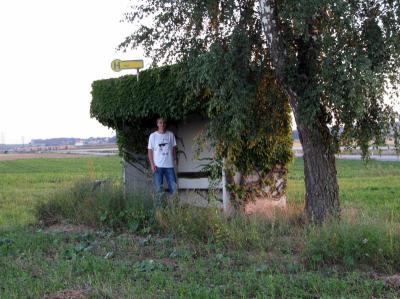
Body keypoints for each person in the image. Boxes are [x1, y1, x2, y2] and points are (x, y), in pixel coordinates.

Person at [147, 117, 178, 200]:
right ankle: (160, 211)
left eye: (164, 123)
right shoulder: (153, 136)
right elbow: (150, 151)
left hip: (169, 166)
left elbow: (174, 148)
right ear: (157, 124)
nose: (162, 124)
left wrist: (175, 159)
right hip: (158, 166)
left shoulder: (170, 134)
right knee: (159, 190)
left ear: (165, 124)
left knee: (174, 189)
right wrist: (152, 164)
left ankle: (174, 209)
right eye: (160, 123)